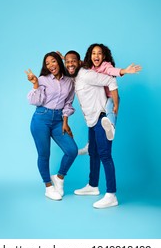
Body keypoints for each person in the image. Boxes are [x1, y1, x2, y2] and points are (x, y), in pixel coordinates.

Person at [64, 50, 141, 208]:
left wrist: (115, 104)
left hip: (102, 118)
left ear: (79, 62)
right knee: (93, 152)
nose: (70, 64)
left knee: (105, 154)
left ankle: (111, 194)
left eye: (73, 61)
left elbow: (110, 81)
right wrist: (60, 57)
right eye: (67, 62)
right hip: (91, 121)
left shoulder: (86, 74)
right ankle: (92, 186)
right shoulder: (75, 78)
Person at [25, 52, 78, 201]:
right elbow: (34, 101)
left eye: (53, 61)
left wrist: (66, 123)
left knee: (72, 150)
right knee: (44, 154)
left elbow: (68, 103)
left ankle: (59, 178)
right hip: (41, 118)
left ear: (59, 62)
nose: (50, 65)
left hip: (58, 120)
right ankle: (48, 187)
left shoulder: (69, 81)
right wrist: (35, 83)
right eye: (47, 63)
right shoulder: (42, 79)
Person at [78, 43, 141, 154]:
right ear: (90, 55)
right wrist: (64, 58)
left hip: (111, 97)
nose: (96, 56)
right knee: (93, 124)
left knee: (109, 110)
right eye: (93, 53)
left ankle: (111, 127)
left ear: (104, 56)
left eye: (99, 53)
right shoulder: (90, 67)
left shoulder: (106, 66)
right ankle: (89, 144)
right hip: (102, 98)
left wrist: (125, 71)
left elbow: (113, 71)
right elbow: (79, 63)